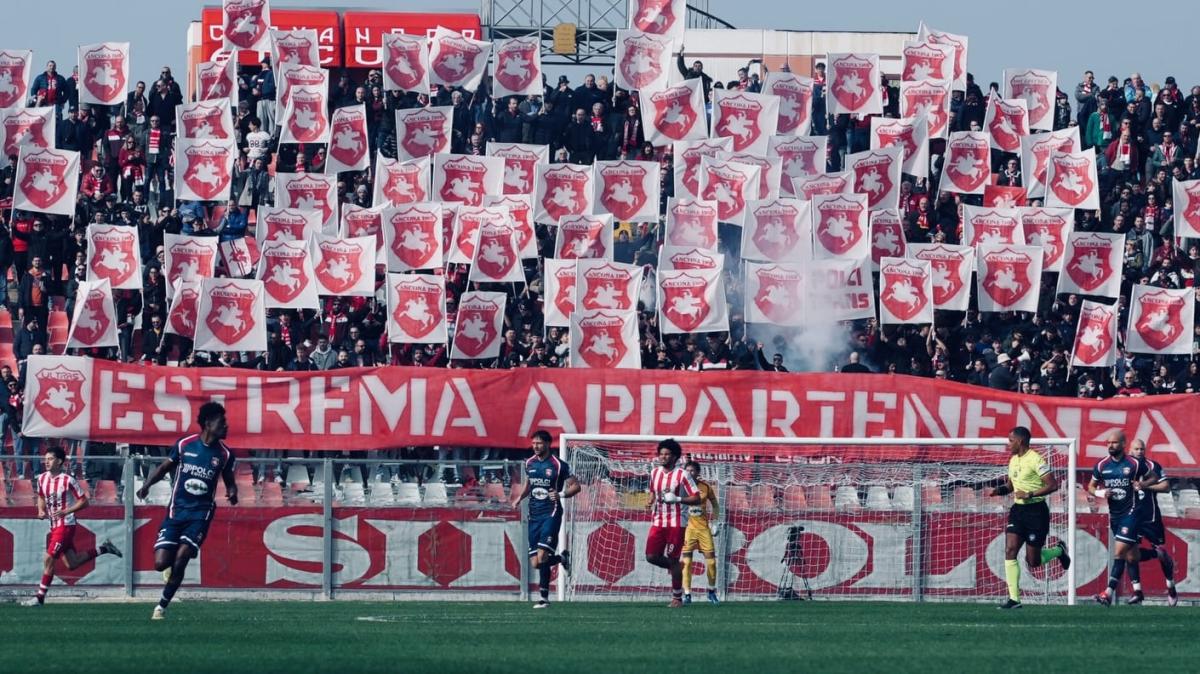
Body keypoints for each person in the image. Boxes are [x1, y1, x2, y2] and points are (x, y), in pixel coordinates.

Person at [136, 402, 237, 619]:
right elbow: (164, 467)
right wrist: (147, 485)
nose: (226, 426)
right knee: (161, 563)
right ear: (208, 424)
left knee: (181, 557)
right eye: (222, 422)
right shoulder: (185, 444)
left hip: (201, 513)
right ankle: (180, 555)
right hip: (176, 511)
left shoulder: (225, 455)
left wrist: (233, 491)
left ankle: (161, 607)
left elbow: (229, 480)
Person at [23, 447, 122, 606]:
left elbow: (84, 502)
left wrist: (66, 511)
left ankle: (40, 597)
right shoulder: (42, 478)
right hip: (54, 526)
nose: (46, 461)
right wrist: (41, 510)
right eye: (46, 458)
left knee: (49, 558)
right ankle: (104, 549)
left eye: (50, 459)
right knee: (72, 564)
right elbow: (41, 496)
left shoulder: (68, 480)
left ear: (60, 461)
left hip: (66, 525)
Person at [988, 426, 1069, 609]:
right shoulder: (1013, 460)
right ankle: (1014, 599)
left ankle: (1058, 551)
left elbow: (1053, 485)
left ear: (1020, 441)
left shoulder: (1036, 459)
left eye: (1010, 440)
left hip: (1036, 512)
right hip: (1018, 511)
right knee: (1010, 550)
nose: (1008, 444)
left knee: (1033, 561)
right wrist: (999, 490)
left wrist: (1030, 494)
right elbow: (1010, 486)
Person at [511, 429, 580, 608]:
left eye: (539, 443)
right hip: (534, 515)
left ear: (548, 444)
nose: (535, 446)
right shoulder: (529, 463)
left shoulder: (558, 465)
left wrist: (561, 494)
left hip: (551, 513)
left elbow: (576, 486)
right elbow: (529, 483)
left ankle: (544, 599)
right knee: (535, 563)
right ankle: (561, 559)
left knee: (542, 557)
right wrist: (520, 497)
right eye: (533, 443)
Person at [1089, 429, 1151, 606]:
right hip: (1115, 516)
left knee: (1119, 552)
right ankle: (1138, 590)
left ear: (1124, 444)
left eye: (1114, 442)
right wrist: (1101, 492)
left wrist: (1142, 484)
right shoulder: (1101, 466)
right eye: (1108, 442)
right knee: (1132, 556)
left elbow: (1153, 476)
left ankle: (1107, 593)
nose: (1110, 445)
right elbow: (1091, 486)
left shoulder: (1134, 464)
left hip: (1132, 513)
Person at [646, 438, 701, 607]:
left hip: (677, 523)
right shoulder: (654, 472)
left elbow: (697, 498)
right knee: (651, 556)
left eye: (667, 454)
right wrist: (650, 501)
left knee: (672, 557)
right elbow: (653, 492)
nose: (663, 457)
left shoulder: (682, 475)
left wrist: (677, 498)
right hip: (658, 521)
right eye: (661, 454)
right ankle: (677, 566)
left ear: (675, 457)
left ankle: (677, 598)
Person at [1128, 439, 1177, 606]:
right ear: (1130, 450)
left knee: (1162, 552)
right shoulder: (1124, 467)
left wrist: (1145, 486)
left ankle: (1170, 585)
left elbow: (1166, 487)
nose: (1139, 451)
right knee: (1130, 553)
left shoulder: (1153, 466)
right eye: (1136, 449)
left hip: (1151, 517)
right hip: (1132, 517)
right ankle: (1137, 591)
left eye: (1142, 449)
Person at [680, 460, 720, 605]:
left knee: (711, 562)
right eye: (687, 470)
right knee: (687, 562)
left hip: (703, 529)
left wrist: (715, 521)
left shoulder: (705, 487)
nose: (690, 473)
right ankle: (687, 594)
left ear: (697, 473)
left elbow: (715, 505)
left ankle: (711, 592)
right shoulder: (681, 487)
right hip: (688, 529)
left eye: (692, 471)